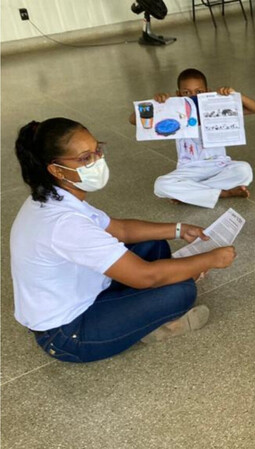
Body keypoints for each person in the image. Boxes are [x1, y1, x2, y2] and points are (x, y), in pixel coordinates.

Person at [10, 118, 237, 363]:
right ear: (55, 169)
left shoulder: (54, 197)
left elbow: (120, 229)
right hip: (66, 334)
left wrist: (179, 229)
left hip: (84, 291)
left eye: (97, 150)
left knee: (156, 245)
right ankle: (147, 326)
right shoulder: (64, 223)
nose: (97, 160)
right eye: (85, 158)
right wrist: (209, 260)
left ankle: (138, 315)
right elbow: (145, 276)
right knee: (181, 290)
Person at [129, 68, 255, 208]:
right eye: (186, 92)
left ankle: (191, 193)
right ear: (178, 94)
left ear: (207, 91)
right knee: (160, 185)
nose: (193, 96)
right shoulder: (174, 113)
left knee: (244, 170)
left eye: (199, 92)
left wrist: (235, 95)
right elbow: (133, 120)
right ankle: (223, 193)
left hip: (219, 165)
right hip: (189, 169)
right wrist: (156, 104)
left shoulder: (216, 109)